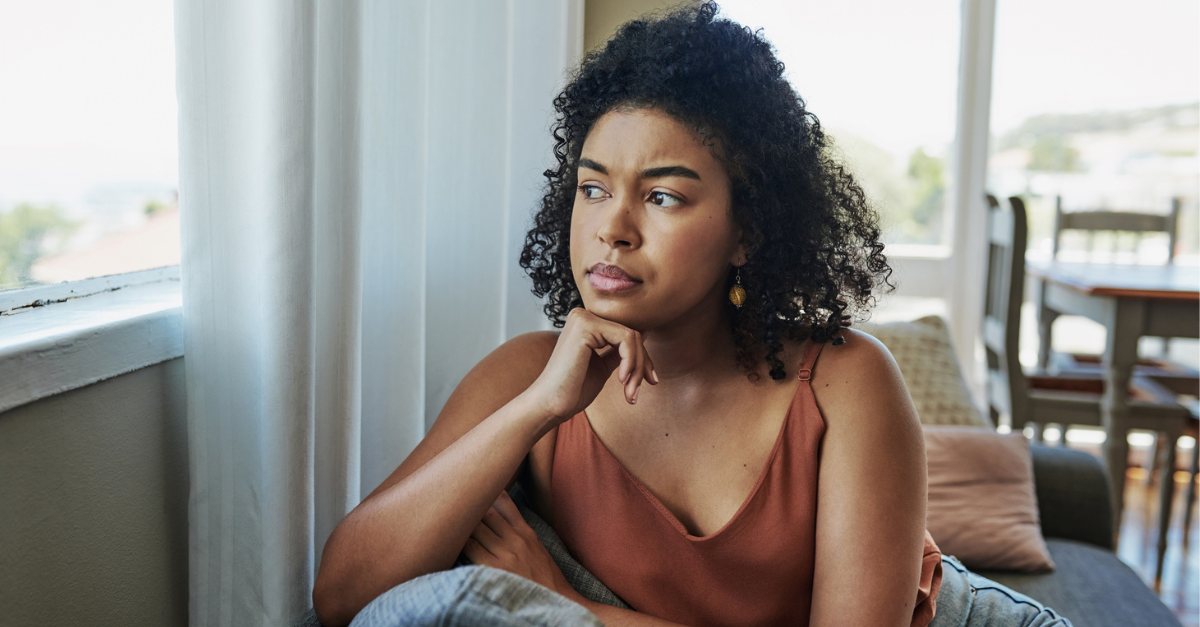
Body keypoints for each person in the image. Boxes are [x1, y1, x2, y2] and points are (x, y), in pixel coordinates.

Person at [312, 3, 1072, 626]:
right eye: (593, 187)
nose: (614, 226)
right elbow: (345, 596)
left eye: (664, 195)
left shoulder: (845, 381)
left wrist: (572, 608)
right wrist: (538, 408)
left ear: (748, 230)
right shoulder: (528, 375)